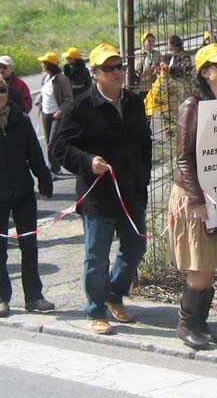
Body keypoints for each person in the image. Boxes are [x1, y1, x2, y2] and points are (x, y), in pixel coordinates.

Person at [53, 43, 152, 336]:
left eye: (119, 66)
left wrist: (143, 177)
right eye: (108, 68)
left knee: (136, 248)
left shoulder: (134, 103)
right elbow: (59, 148)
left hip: (131, 192)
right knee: (96, 257)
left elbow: (144, 144)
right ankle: (95, 310)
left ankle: (114, 295)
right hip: (98, 196)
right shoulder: (80, 107)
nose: (116, 72)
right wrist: (87, 161)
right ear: (95, 73)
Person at [168, 43, 217, 349]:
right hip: (193, 196)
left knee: (210, 267)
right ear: (204, 72)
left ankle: (200, 323)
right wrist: (196, 201)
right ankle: (186, 326)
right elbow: (183, 157)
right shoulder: (192, 106)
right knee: (200, 266)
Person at [0, 74, 55, 318]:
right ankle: (1, 297)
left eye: (2, 90)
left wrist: (44, 181)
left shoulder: (21, 121)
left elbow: (35, 155)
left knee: (29, 246)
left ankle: (34, 296)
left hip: (23, 192)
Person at [35, 52, 74, 177]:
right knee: (48, 143)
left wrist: (60, 112)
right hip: (46, 114)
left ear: (49, 64)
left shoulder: (62, 79)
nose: (42, 65)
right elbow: (44, 91)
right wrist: (39, 98)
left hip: (57, 115)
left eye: (44, 63)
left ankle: (54, 169)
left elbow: (69, 99)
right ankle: (55, 167)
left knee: (53, 143)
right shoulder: (45, 77)